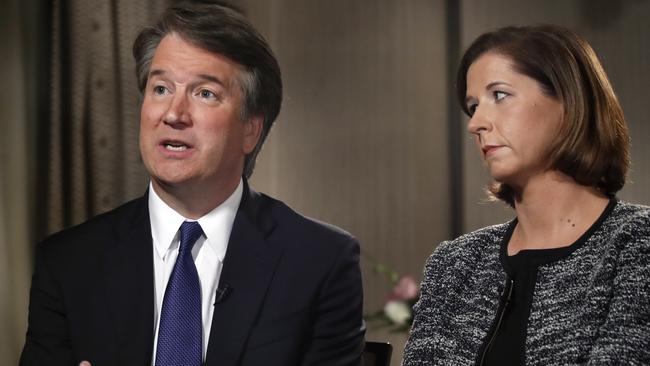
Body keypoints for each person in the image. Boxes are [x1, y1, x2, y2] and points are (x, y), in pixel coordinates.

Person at [20, 2, 365, 365]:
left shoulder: (320, 262)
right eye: (161, 88)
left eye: (205, 93)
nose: (173, 114)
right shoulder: (69, 263)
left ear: (251, 129)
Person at [403, 24, 650, 365]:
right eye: (473, 106)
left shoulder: (637, 242)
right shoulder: (455, 263)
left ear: (568, 100)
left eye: (499, 95)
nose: (475, 123)